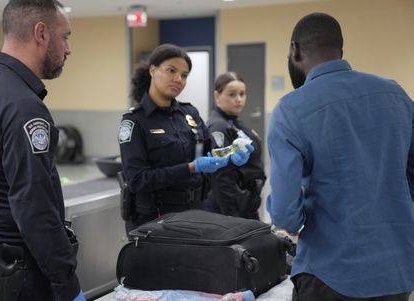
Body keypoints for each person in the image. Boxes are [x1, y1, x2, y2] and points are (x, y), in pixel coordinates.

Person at [266, 12, 414, 301]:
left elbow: (285, 214)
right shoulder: (396, 94)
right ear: (340, 50)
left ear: (294, 50)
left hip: (330, 274)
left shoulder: (291, 108)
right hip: (396, 269)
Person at [0, 1, 85, 300]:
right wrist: (67, 283)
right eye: (65, 36)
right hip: (18, 277)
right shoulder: (22, 105)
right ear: (41, 33)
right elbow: (33, 206)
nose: (68, 49)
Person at [118, 44, 252, 234]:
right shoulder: (135, 121)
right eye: (171, 70)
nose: (178, 79)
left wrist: (232, 155)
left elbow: (211, 153)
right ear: (153, 70)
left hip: (194, 212)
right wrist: (191, 168)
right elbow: (138, 180)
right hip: (154, 220)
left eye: (184, 75)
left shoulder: (189, 114)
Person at [204, 72, 265, 219]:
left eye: (242, 94)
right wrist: (233, 215)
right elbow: (221, 176)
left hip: (245, 204)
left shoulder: (235, 123)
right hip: (230, 210)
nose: (239, 99)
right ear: (217, 96)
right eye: (232, 94)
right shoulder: (218, 126)